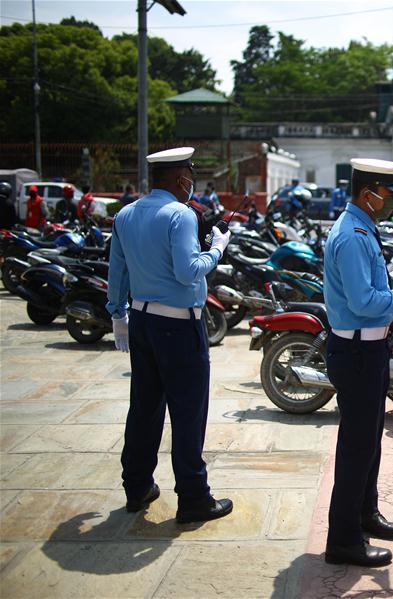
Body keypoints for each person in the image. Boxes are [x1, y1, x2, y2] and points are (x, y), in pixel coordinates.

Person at [105, 146, 234, 524]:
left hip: (141, 321)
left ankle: (137, 485)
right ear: (181, 179)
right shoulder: (181, 214)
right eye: (190, 176)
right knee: (188, 413)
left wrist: (117, 313)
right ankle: (193, 497)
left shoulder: (126, 214)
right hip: (178, 325)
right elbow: (188, 271)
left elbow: (117, 269)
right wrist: (217, 250)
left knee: (144, 407)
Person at [322, 158, 393, 567]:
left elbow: (372, 286)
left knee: (369, 440)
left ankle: (365, 514)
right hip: (355, 351)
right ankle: (343, 540)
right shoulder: (353, 235)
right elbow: (363, 302)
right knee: (356, 447)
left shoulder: (363, 227)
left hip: (367, 349)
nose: (392, 202)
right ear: (368, 193)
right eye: (388, 194)